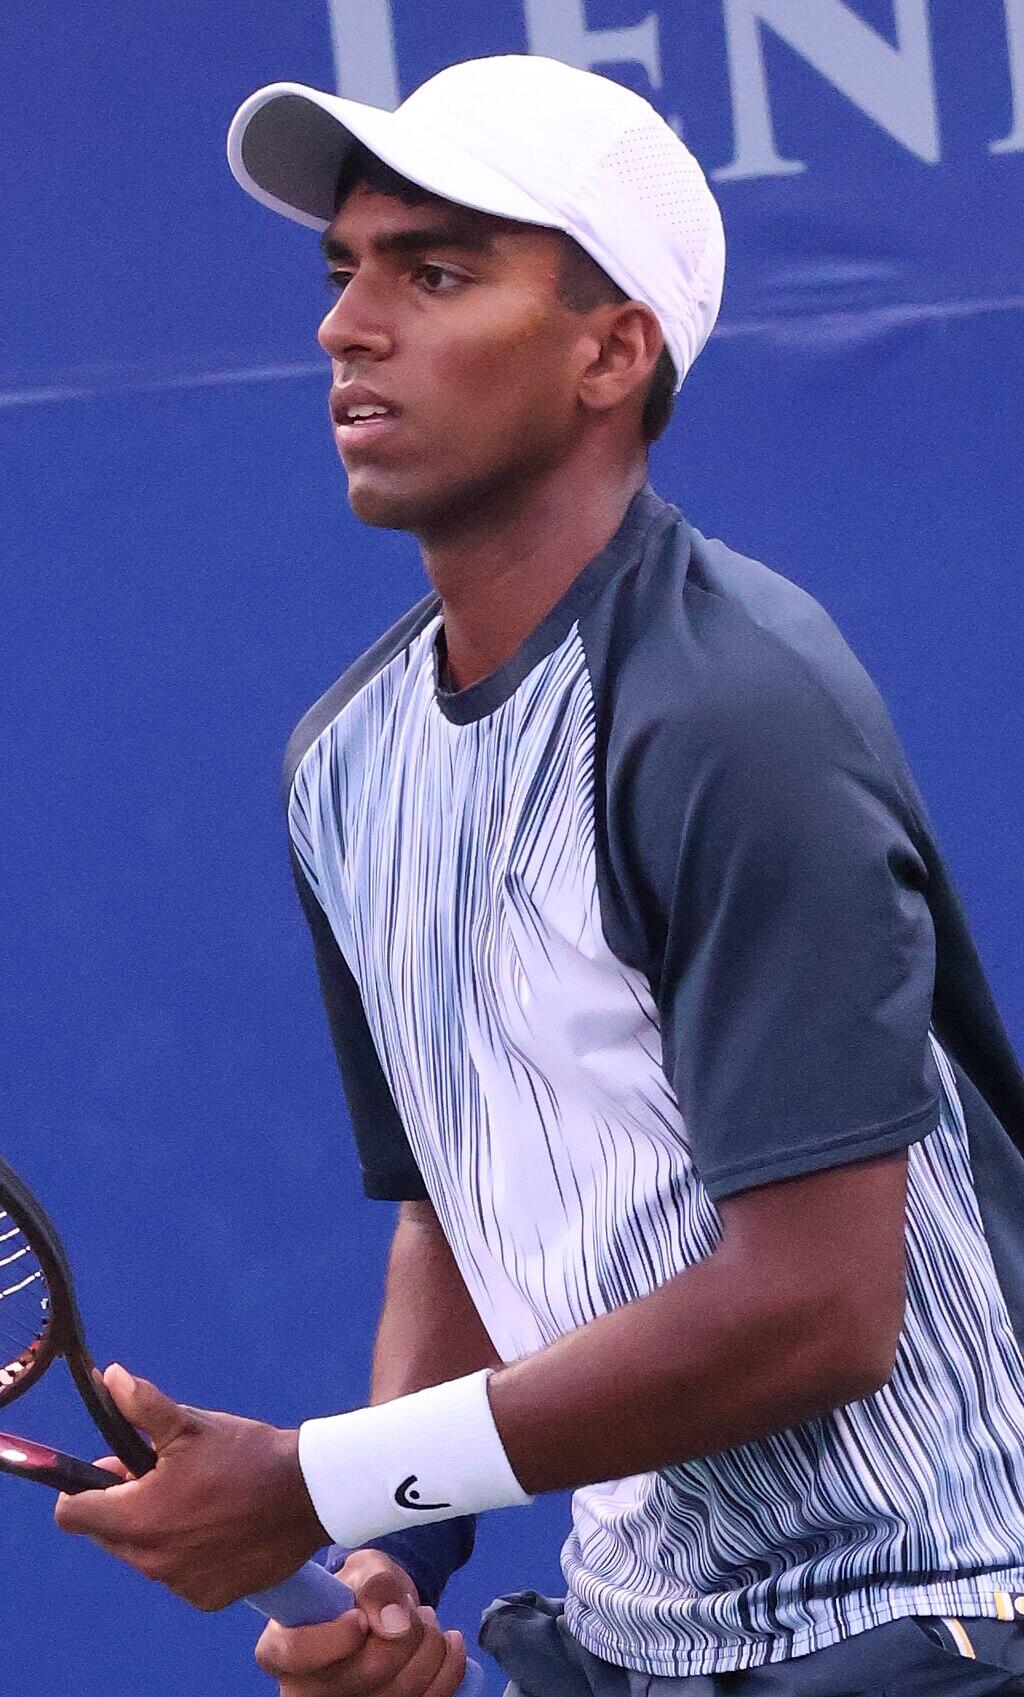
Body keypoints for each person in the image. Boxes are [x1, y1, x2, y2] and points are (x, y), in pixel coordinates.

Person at [56, 52, 1024, 1697]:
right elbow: (468, 1203)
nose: (347, 326)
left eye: (432, 271)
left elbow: (821, 1306)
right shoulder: (345, 766)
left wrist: (321, 1476)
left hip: (931, 1615)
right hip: (636, 1638)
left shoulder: (730, 706)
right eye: (345, 270)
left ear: (611, 350)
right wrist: (389, 1555)